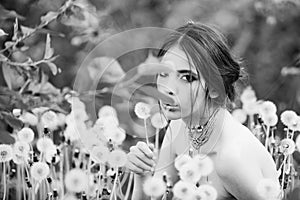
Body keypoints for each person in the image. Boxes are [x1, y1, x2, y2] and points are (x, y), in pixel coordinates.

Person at [126, 22, 279, 200]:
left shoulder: (230, 159)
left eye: (187, 78)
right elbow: (156, 197)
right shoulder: (179, 127)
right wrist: (142, 176)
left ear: (215, 86)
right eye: (164, 73)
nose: (168, 89)